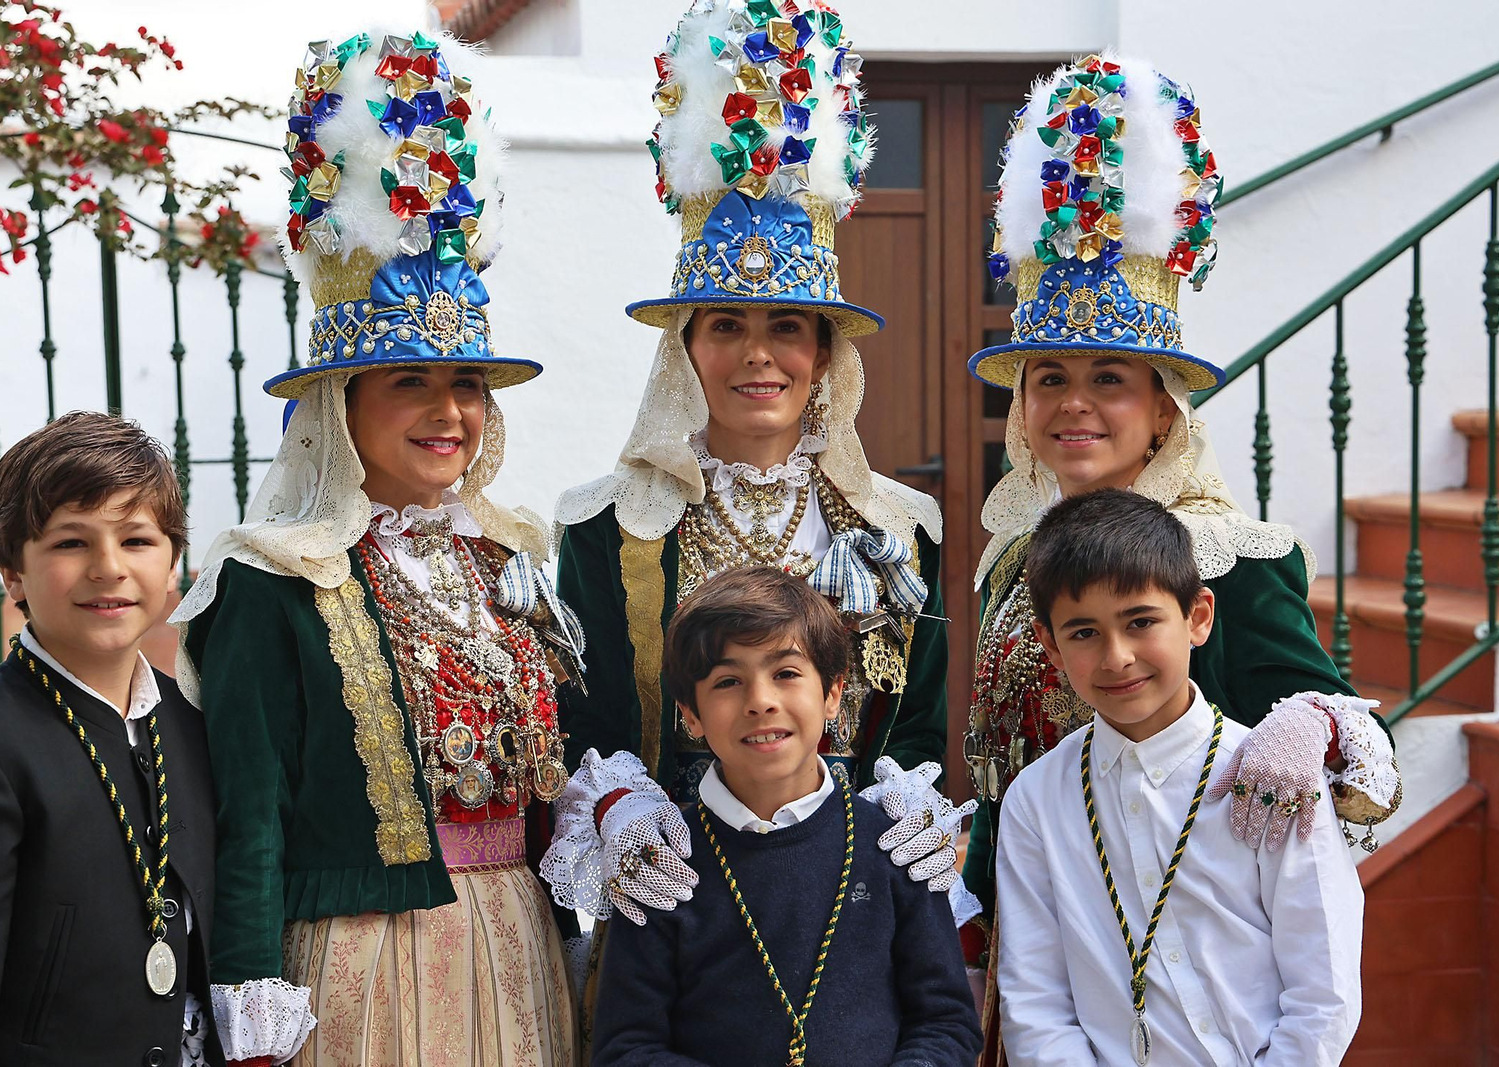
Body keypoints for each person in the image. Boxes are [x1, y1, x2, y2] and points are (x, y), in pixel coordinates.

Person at [956, 56, 1399, 1062]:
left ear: (1162, 405)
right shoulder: (1010, 554)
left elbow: (1337, 739)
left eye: (1108, 378)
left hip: (1199, 959)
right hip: (1036, 956)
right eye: (1049, 378)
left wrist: (1307, 726)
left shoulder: (1229, 559)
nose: (1073, 404)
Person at [169, 25, 584, 1067]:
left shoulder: (506, 559)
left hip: (513, 936)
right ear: (339, 404)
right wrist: (251, 996)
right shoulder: (272, 580)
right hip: (362, 963)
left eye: (467, 387)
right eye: (411, 382)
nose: (449, 412)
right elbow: (250, 817)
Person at [542, 0, 975, 976]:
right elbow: (594, 724)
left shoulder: (898, 527)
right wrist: (619, 811)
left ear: (824, 354)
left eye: (787, 324)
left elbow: (915, 729)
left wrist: (912, 810)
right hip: (676, 908)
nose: (757, 353)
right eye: (725, 324)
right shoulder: (610, 525)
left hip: (854, 906)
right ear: (684, 346)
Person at [996, 488, 1363, 1065]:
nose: (1116, 656)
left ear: (1197, 617)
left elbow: (1325, 989)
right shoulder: (1036, 800)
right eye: (1084, 633)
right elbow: (1037, 1003)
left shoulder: (1270, 774)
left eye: (1141, 622)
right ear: (1050, 644)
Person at [0, 412, 220, 1067]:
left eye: (136, 539)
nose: (108, 569)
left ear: (172, 566)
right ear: (12, 573)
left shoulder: (192, 724)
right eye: (71, 542)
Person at [592, 567, 981, 1067]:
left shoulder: (895, 845)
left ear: (833, 695)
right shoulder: (661, 864)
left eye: (786, 673)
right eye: (729, 681)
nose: (761, 702)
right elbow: (626, 1048)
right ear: (690, 714)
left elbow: (946, 1024)